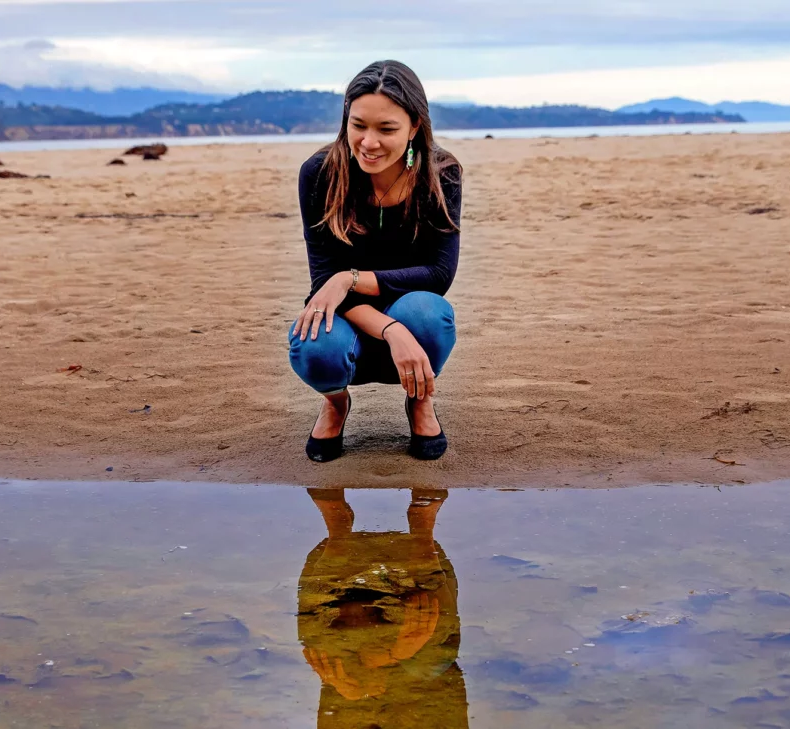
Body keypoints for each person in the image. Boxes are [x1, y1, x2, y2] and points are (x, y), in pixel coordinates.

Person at [288, 60, 464, 463]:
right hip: (347, 322)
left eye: (386, 129)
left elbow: (438, 274)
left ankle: (420, 400)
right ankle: (334, 403)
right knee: (312, 341)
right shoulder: (319, 174)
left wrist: (349, 279)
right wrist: (390, 331)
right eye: (358, 125)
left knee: (428, 312)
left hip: (414, 313)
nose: (369, 142)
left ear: (415, 126)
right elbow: (323, 285)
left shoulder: (441, 175)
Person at [298, 488, 468, 727]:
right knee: (431, 658)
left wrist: (348, 690)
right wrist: (394, 655)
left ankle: (338, 532)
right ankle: (421, 532)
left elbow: (319, 657)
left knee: (325, 646)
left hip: (352, 679)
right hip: (420, 667)